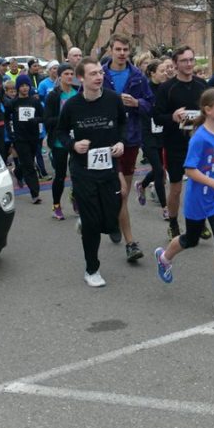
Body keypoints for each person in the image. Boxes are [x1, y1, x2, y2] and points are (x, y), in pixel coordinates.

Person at [154, 89, 214, 313]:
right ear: (208, 110)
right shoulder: (199, 137)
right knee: (191, 239)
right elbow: (190, 170)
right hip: (198, 197)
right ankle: (165, 258)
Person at [56, 57, 126, 287]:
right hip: (82, 170)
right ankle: (92, 269)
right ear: (81, 78)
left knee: (111, 217)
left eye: (100, 73)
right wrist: (73, 146)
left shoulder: (113, 100)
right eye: (93, 74)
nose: (99, 77)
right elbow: (60, 133)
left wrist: (121, 143)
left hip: (108, 168)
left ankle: (88, 223)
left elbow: (123, 125)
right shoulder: (72, 106)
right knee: (92, 221)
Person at [102, 33, 153, 262]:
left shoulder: (138, 77)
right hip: (105, 139)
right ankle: (130, 242)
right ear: (111, 50)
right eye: (118, 49)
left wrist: (137, 103)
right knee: (117, 191)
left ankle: (115, 222)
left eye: (125, 50)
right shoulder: (100, 74)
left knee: (123, 193)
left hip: (131, 139)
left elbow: (150, 104)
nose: (122, 53)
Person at [153, 45, 207, 239]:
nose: (189, 64)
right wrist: (173, 117)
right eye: (184, 60)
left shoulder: (202, 85)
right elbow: (157, 116)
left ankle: (199, 222)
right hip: (175, 144)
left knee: (200, 184)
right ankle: (174, 223)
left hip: (199, 144)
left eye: (192, 59)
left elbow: (211, 110)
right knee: (176, 188)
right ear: (175, 64)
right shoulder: (167, 88)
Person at [44, 63, 78, 219]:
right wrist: (65, 119)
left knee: (78, 173)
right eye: (66, 74)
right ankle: (56, 205)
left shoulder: (77, 93)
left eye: (72, 74)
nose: (70, 76)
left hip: (76, 140)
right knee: (60, 175)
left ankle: (75, 197)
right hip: (59, 141)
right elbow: (47, 120)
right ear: (59, 77)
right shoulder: (54, 95)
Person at [135, 59, 168, 217]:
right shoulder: (144, 88)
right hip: (147, 134)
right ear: (152, 73)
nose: (165, 73)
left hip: (161, 133)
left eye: (165, 70)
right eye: (161, 71)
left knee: (159, 169)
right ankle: (165, 208)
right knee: (159, 171)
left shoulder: (165, 88)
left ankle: (142, 184)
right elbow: (139, 108)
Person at [5, 73, 44, 204]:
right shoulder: (13, 103)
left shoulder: (35, 101)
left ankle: (17, 171)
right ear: (18, 87)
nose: (24, 88)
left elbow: (43, 116)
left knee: (27, 162)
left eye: (26, 85)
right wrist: (10, 133)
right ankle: (35, 194)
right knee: (30, 166)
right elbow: (6, 118)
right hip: (20, 139)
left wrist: (36, 120)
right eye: (21, 86)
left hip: (33, 137)